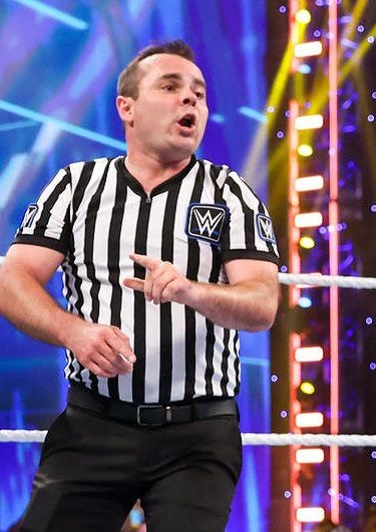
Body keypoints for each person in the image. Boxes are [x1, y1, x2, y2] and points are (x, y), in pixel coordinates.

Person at [0, 40, 280, 532]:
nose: (189, 99)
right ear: (126, 108)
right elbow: (12, 279)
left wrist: (191, 291)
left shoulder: (230, 194)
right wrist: (74, 332)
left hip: (198, 433)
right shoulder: (76, 187)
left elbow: (262, 303)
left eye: (198, 93)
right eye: (170, 87)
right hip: (94, 424)